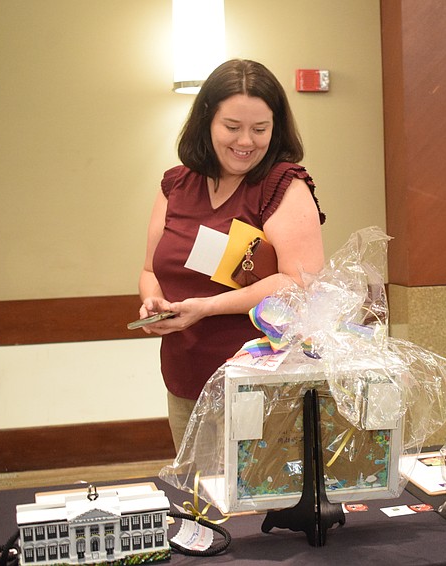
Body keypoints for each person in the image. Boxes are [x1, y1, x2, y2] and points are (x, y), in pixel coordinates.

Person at [137, 59, 326, 451]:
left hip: (259, 380)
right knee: (197, 499)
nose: (246, 142)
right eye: (232, 127)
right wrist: (152, 302)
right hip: (185, 372)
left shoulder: (283, 184)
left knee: (256, 503)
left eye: (260, 129)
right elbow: (149, 269)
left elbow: (298, 282)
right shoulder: (176, 184)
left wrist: (207, 307)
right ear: (206, 120)